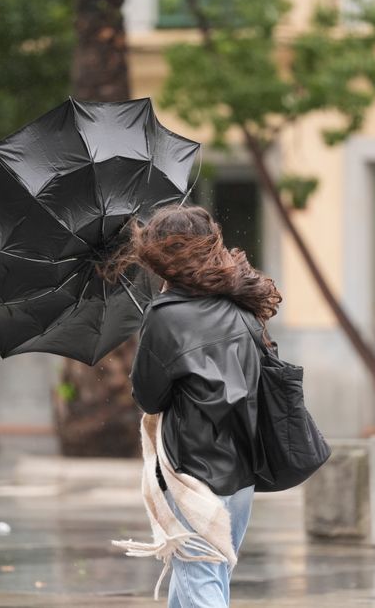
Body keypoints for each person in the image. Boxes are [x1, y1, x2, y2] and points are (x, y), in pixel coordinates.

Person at [109, 205, 281, 607]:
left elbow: (149, 397)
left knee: (200, 579)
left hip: (193, 470)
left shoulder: (165, 317)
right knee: (204, 575)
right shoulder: (241, 304)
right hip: (242, 467)